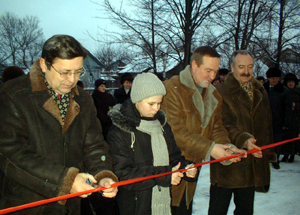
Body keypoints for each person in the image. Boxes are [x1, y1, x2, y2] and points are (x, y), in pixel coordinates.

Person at [0, 35, 118, 215]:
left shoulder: (83, 99)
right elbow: (10, 152)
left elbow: (94, 145)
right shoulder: (14, 94)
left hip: (70, 207)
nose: (72, 80)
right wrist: (66, 180)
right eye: (64, 72)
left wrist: (103, 175)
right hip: (28, 204)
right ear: (43, 65)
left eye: (78, 71)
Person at [161, 46, 246, 215]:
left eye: (215, 71)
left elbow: (216, 127)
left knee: (185, 207)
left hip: (193, 168)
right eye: (208, 70)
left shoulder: (214, 96)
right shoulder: (171, 89)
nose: (213, 77)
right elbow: (175, 131)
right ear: (194, 65)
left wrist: (226, 147)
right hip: (168, 168)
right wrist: (210, 148)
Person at [107, 73, 197, 215]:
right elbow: (122, 174)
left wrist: (185, 167)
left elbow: (174, 156)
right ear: (137, 100)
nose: (156, 108)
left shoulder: (162, 126)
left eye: (159, 103)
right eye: (151, 104)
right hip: (134, 205)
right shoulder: (120, 131)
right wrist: (165, 175)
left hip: (162, 202)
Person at [210, 50, 277, 215]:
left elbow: (267, 125)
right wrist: (244, 140)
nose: (246, 71)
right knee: (218, 211)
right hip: (227, 163)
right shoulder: (221, 92)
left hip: (251, 165)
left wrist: (268, 152)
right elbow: (223, 124)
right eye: (241, 67)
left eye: (250, 67)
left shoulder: (260, 91)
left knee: (245, 211)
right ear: (232, 68)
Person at [263, 67, 293, 169]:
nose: (275, 80)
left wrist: (286, 123)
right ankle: (264, 158)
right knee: (264, 140)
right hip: (264, 120)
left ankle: (275, 159)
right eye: (272, 78)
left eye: (276, 78)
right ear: (268, 78)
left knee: (277, 142)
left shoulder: (284, 91)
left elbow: (288, 108)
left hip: (278, 120)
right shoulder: (262, 89)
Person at [281, 73, 300, 162]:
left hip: (296, 118)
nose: (291, 83)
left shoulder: (298, 92)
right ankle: (285, 154)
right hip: (286, 118)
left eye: (292, 82)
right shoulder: (284, 92)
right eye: (289, 82)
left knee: (294, 138)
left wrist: (296, 106)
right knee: (286, 138)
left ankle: (292, 155)